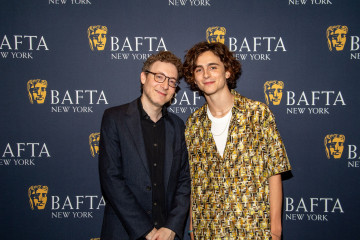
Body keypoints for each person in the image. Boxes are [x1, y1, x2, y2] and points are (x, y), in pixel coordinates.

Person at [183, 42, 291, 239]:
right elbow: (194, 182)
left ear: (228, 71)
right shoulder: (193, 124)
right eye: (199, 69)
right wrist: (192, 228)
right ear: (194, 78)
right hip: (208, 231)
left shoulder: (258, 113)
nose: (206, 74)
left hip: (253, 229)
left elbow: (274, 172)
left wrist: (275, 230)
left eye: (213, 67)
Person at [99, 51, 190, 240]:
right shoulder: (114, 118)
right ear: (143, 77)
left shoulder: (178, 126)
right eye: (159, 77)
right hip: (124, 231)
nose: (165, 85)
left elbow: (184, 181)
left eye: (172, 81)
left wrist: (171, 228)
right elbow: (111, 179)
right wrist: (145, 230)